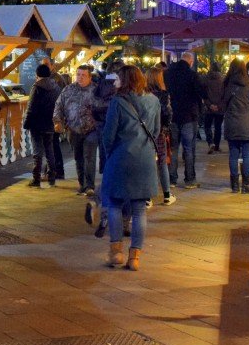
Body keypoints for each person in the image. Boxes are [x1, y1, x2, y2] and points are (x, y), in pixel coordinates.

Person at [100, 65, 160, 271]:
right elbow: (157, 130)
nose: (115, 82)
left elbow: (108, 135)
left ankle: (116, 252)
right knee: (139, 209)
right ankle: (134, 257)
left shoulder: (118, 102)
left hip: (120, 157)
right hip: (144, 159)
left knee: (114, 205)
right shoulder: (154, 101)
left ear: (124, 80)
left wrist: (110, 155)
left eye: (118, 79)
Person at [53, 64, 100, 195]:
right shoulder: (68, 90)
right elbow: (58, 106)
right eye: (78, 74)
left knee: (89, 157)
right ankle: (82, 184)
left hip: (91, 130)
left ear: (90, 77)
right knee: (78, 157)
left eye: (83, 75)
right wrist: (57, 121)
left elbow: (103, 109)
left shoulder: (96, 91)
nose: (80, 77)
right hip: (73, 130)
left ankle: (90, 185)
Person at [164, 51, 203, 190]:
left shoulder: (168, 74)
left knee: (173, 149)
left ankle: (172, 179)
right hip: (189, 116)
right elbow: (200, 94)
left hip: (173, 116)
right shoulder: (192, 75)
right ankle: (190, 179)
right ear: (191, 62)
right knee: (188, 149)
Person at [23, 63, 62, 187]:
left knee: (37, 152)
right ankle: (52, 176)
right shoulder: (56, 87)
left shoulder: (37, 87)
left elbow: (31, 107)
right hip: (50, 123)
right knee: (50, 150)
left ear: (37, 74)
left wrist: (26, 123)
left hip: (37, 124)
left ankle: (36, 178)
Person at [221, 59, 249, 193]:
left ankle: (234, 185)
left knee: (233, 154)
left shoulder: (227, 85)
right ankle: (246, 185)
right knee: (247, 154)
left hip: (232, 123)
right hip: (247, 124)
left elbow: (223, 103)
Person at [145, 65, 174, 204]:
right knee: (162, 162)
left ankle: (147, 197)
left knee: (148, 163)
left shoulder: (142, 94)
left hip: (145, 132)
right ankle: (167, 194)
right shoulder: (163, 94)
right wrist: (166, 127)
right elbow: (168, 113)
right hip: (160, 131)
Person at [41, 57, 67, 178]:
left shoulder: (56, 79)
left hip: (54, 116)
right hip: (50, 116)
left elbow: (60, 99)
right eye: (43, 64)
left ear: (53, 66)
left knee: (52, 144)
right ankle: (53, 171)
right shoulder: (47, 78)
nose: (44, 66)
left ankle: (56, 171)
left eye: (46, 64)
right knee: (51, 144)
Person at [202, 61, 225, 153]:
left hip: (208, 108)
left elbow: (203, 94)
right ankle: (217, 145)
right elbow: (224, 95)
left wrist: (209, 104)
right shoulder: (223, 79)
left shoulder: (206, 79)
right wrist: (219, 106)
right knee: (218, 127)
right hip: (220, 108)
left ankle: (210, 142)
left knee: (207, 126)